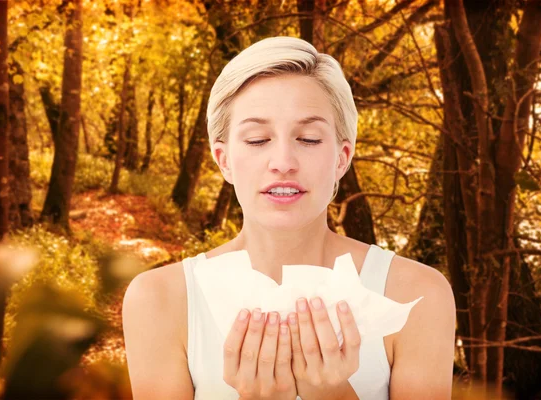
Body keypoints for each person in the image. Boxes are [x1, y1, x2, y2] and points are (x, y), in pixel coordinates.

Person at [122, 36, 456, 400]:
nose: (283, 161)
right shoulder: (158, 300)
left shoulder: (417, 295)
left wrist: (334, 396)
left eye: (309, 139)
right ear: (224, 160)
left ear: (342, 158)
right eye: (256, 139)